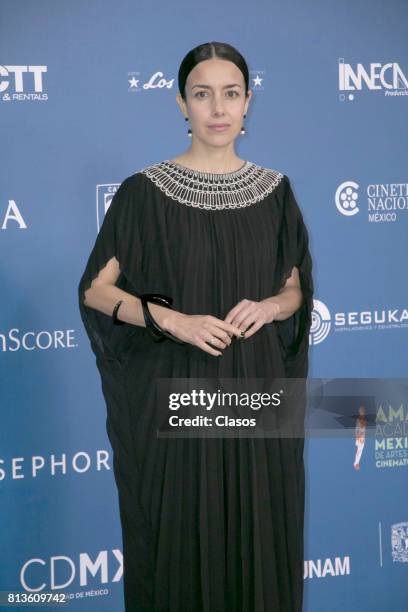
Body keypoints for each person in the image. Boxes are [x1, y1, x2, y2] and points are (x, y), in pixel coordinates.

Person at [78, 41, 314, 612]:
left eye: (230, 94)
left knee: (260, 533)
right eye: (202, 94)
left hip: (256, 393)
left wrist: (270, 308)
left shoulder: (276, 192)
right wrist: (170, 320)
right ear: (181, 103)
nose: (217, 108)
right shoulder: (143, 192)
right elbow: (96, 289)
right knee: (180, 537)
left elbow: (294, 289)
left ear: (248, 102)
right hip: (177, 391)